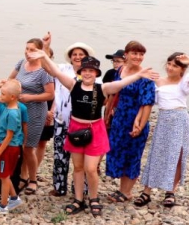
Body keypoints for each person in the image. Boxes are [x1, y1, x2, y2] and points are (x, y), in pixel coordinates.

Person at [33, 49, 156, 216]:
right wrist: (43, 55)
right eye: (85, 70)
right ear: (80, 72)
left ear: (96, 73)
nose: (88, 73)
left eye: (91, 71)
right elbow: (54, 71)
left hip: (95, 130)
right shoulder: (73, 85)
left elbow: (122, 83)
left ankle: (93, 198)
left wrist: (140, 74)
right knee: (77, 167)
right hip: (76, 128)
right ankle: (78, 200)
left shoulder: (103, 88)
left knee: (90, 168)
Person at [42, 33, 94, 198]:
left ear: (86, 57)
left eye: (81, 54)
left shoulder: (92, 74)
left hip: (83, 123)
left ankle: (81, 189)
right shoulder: (63, 69)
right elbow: (46, 65)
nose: (77, 57)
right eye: (74, 54)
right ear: (70, 58)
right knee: (59, 155)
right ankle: (59, 187)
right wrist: (45, 47)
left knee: (82, 158)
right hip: (61, 120)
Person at [106, 40, 157, 203]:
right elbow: (114, 91)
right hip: (120, 117)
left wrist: (141, 125)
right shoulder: (120, 69)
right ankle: (122, 189)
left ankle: (127, 191)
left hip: (136, 118)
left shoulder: (146, 76)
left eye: (141, 54)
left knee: (133, 155)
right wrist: (107, 113)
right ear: (126, 54)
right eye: (134, 53)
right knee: (118, 151)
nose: (138, 57)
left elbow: (147, 103)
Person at [137, 53, 189, 208]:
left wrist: (187, 64)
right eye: (169, 64)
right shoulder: (158, 81)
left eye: (175, 66)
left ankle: (170, 191)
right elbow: (148, 103)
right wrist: (138, 120)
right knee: (157, 153)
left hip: (180, 118)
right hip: (164, 118)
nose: (170, 68)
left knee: (177, 154)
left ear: (182, 69)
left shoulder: (184, 82)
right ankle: (147, 191)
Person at [8, 38, 55, 195]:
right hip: (18, 110)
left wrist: (30, 97)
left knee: (29, 148)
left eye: (32, 50)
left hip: (35, 112)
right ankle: (20, 175)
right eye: (27, 49)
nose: (28, 53)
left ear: (40, 52)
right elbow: (11, 80)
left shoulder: (44, 71)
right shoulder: (21, 63)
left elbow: (50, 94)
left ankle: (32, 179)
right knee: (17, 144)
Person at [0, 80, 24, 215]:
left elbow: (9, 136)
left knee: (4, 175)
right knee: (3, 174)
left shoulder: (13, 113)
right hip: (6, 147)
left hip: (8, 148)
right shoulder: (7, 104)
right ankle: (14, 198)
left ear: (12, 97)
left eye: (3, 94)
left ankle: (3, 206)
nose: (0, 97)